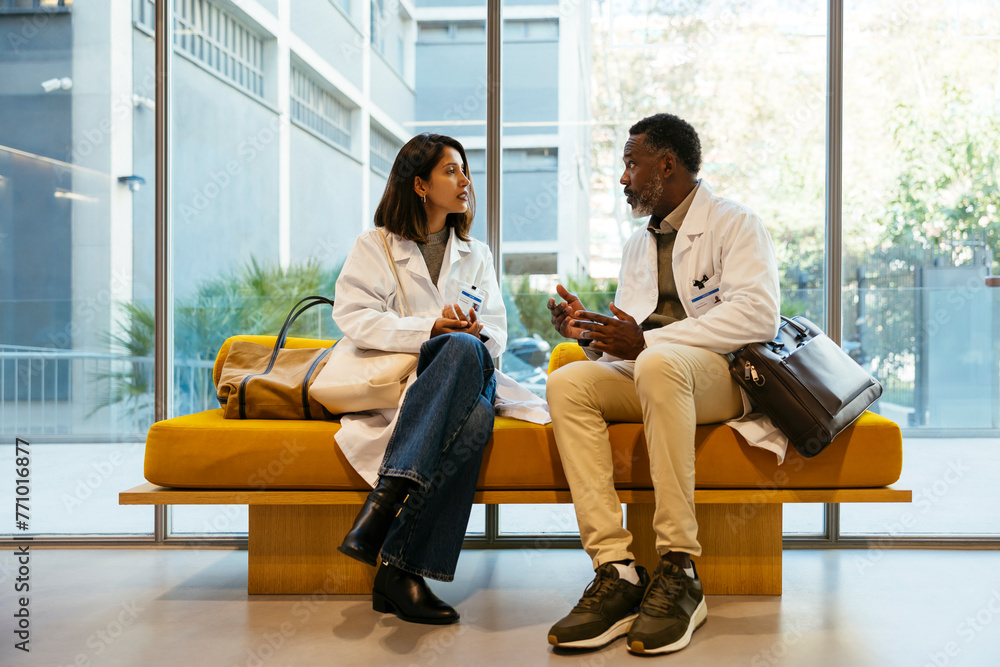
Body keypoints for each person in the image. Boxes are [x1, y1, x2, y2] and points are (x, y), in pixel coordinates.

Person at [544, 113, 783, 654]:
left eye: (632, 164)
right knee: (568, 383)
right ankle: (617, 571)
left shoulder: (735, 222)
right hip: (656, 373)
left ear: (667, 164)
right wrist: (591, 335)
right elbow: (633, 334)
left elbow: (758, 317)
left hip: (721, 376)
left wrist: (649, 344)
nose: (624, 178)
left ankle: (679, 568)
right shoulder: (638, 244)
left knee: (656, 363)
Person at [330, 133, 505, 625]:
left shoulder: (477, 253)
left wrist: (472, 333)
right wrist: (428, 328)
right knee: (473, 427)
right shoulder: (375, 246)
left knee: (465, 345)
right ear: (421, 185)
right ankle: (400, 572)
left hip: (472, 376)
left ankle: (382, 505)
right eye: (452, 171)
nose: (465, 180)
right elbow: (353, 317)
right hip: (408, 386)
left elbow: (498, 332)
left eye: (465, 170)